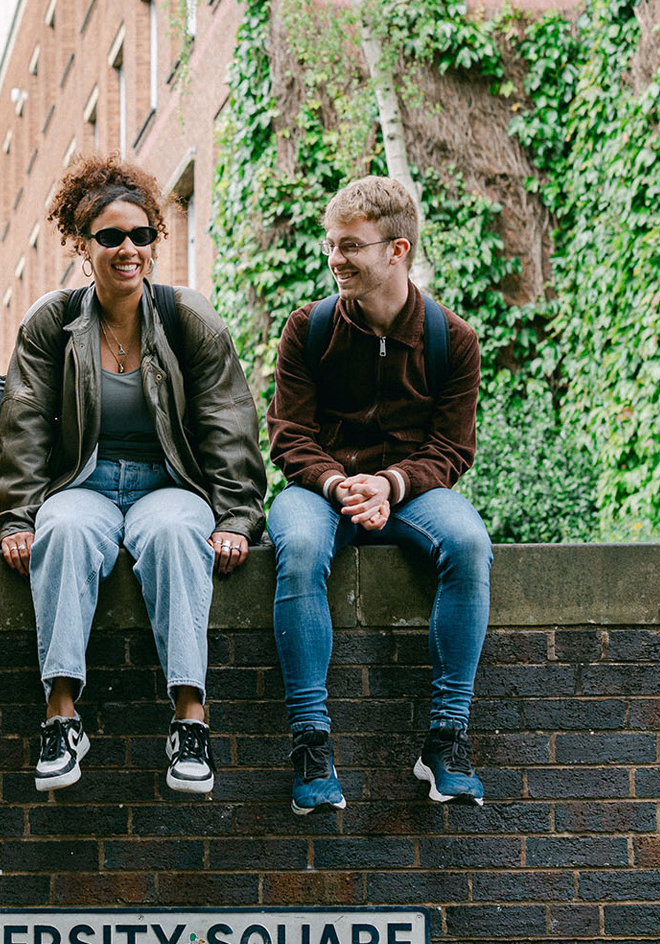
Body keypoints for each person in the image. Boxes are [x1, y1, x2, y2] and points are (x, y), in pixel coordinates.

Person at [0, 155, 265, 795]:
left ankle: (190, 721)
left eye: (141, 235)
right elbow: (24, 425)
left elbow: (228, 418)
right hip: (82, 483)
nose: (128, 249)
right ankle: (62, 718)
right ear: (81, 244)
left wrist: (236, 517)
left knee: (176, 536)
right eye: (111, 236)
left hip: (168, 483)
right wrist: (17, 517)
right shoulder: (53, 322)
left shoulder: (186, 316)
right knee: (61, 534)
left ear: (154, 241)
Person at [266, 176, 493, 813]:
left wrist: (392, 483)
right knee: (299, 547)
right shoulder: (307, 329)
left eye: (351, 246)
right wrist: (339, 483)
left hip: (412, 490)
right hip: (320, 488)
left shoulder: (454, 340)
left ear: (397, 251)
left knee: (469, 544)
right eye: (331, 245)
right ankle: (311, 743)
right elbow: (287, 435)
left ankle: (447, 740)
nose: (335, 258)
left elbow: (452, 449)